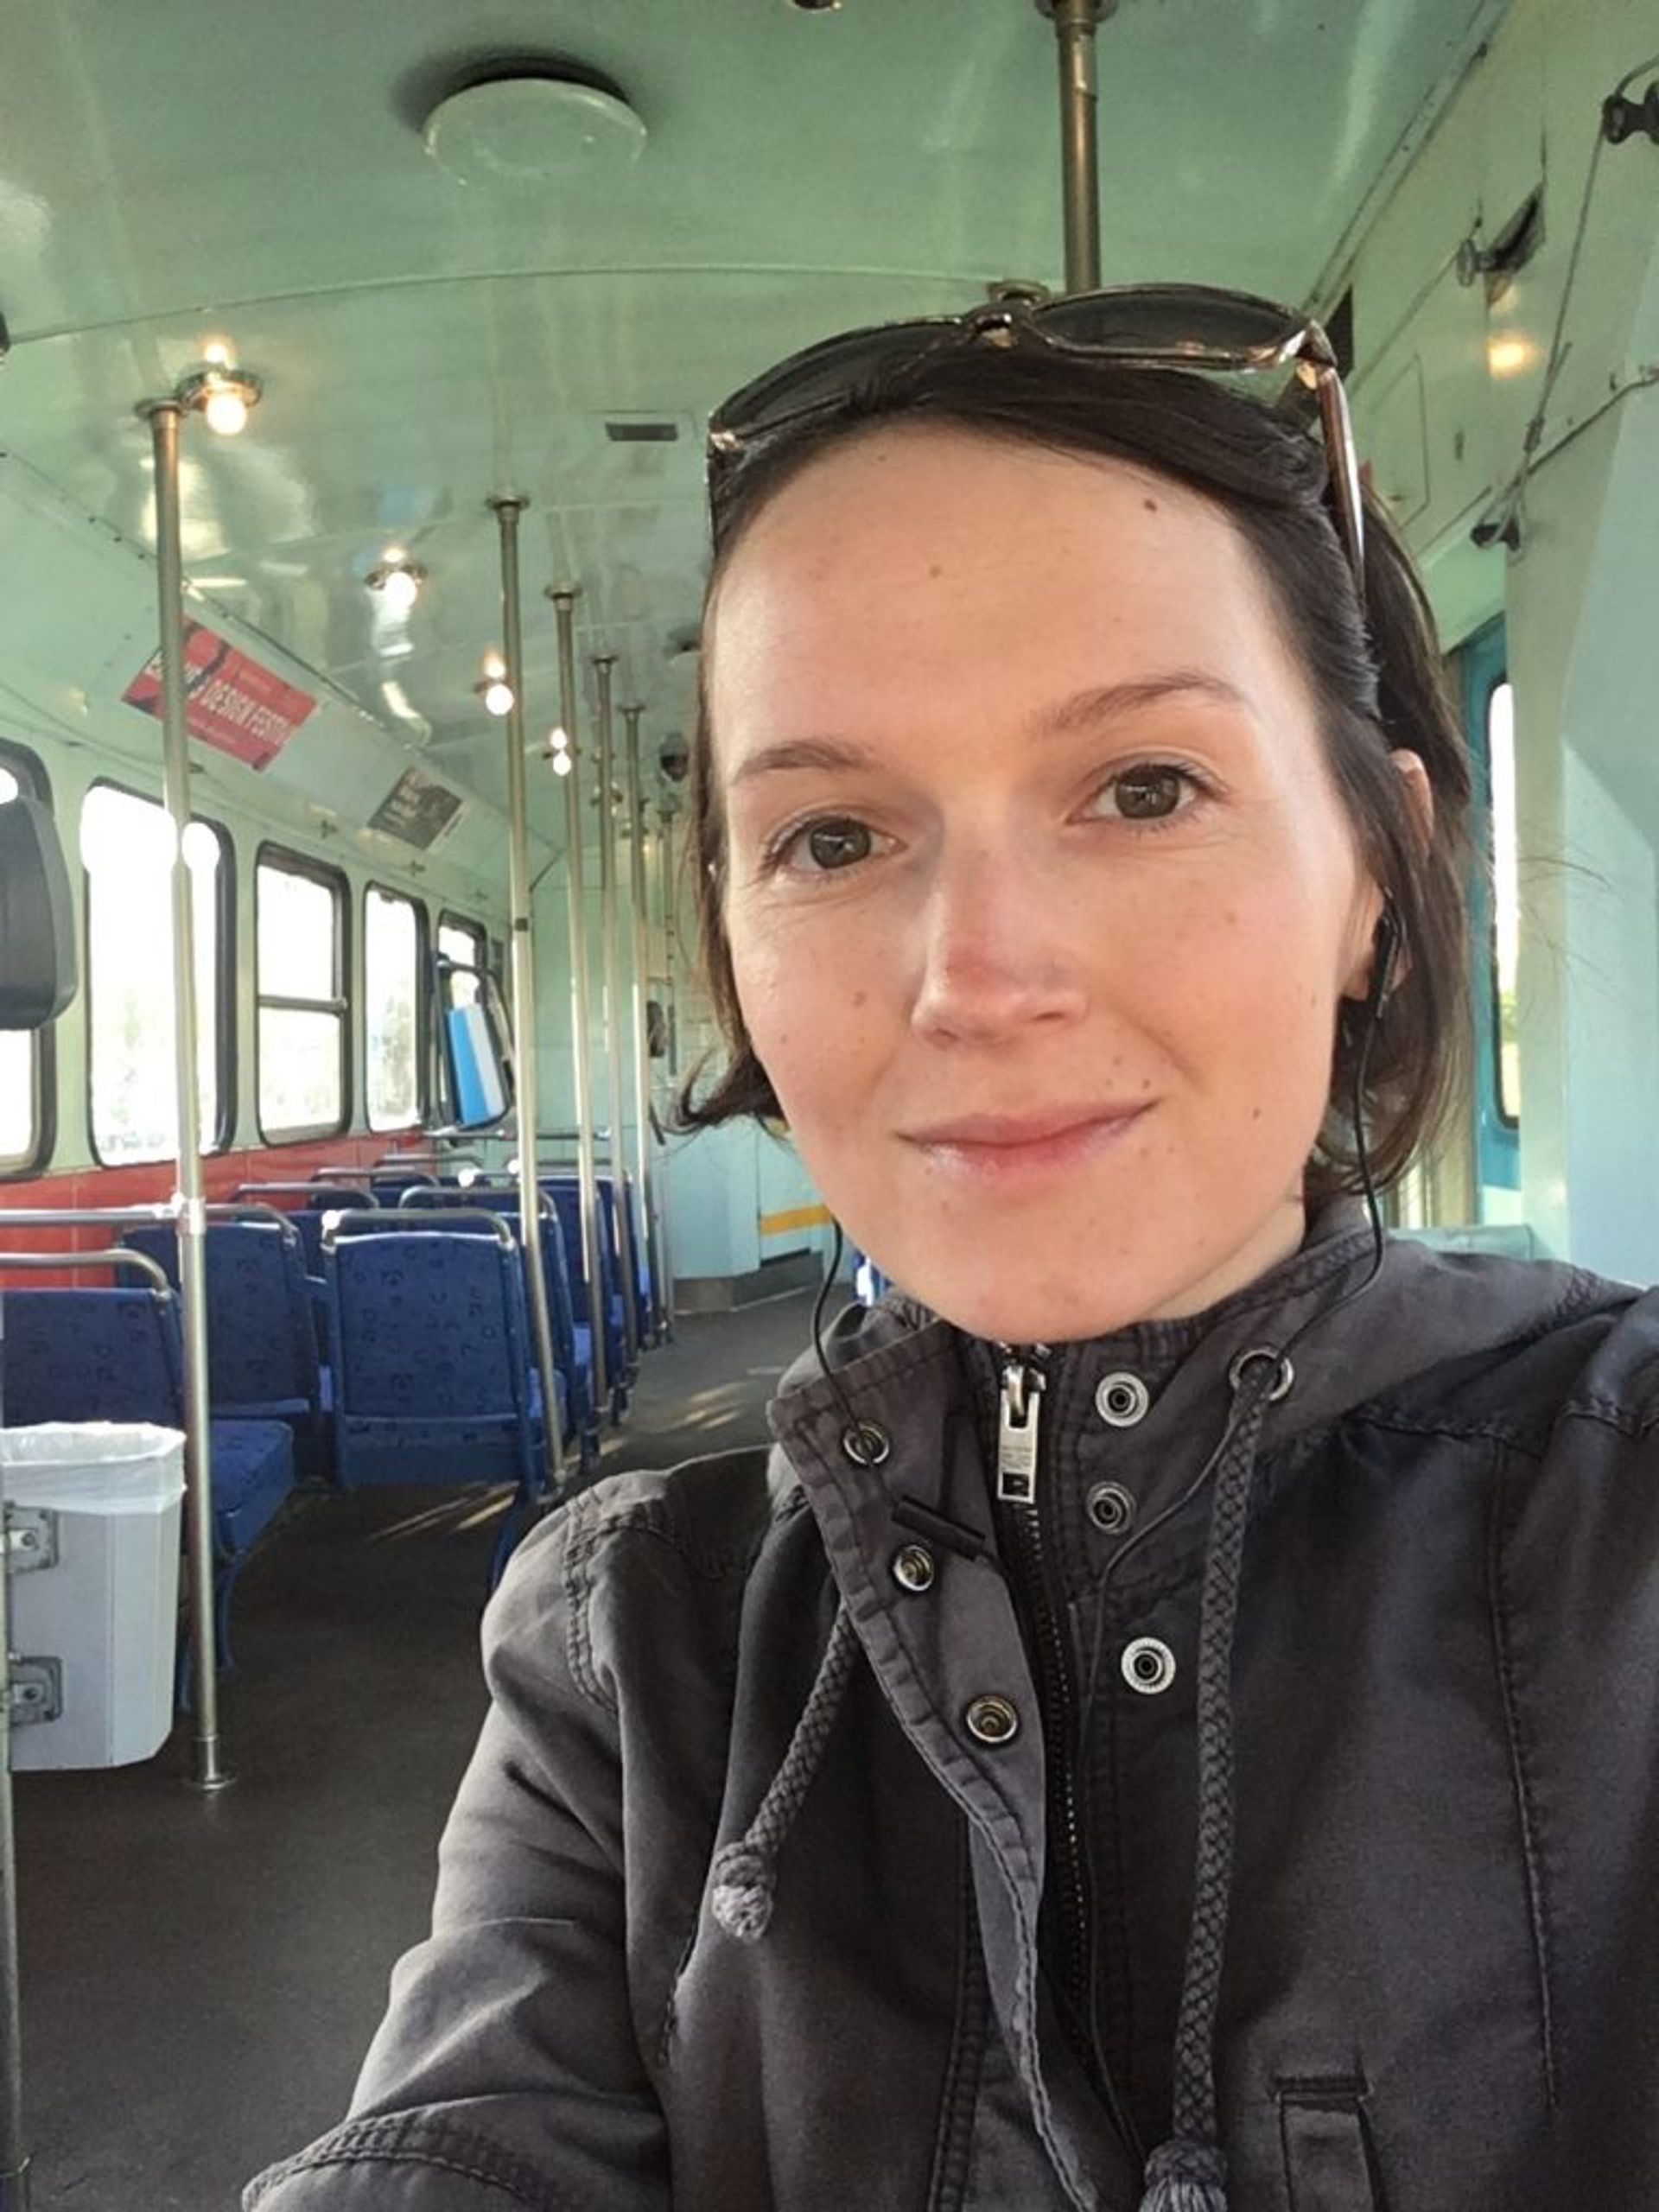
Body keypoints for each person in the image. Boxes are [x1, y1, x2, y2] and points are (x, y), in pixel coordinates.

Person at [247, 290, 1659, 2212]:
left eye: (1144, 787)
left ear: (1374, 867)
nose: (974, 978)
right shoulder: (630, 1649)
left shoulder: (1621, 1516)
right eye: (832, 835)